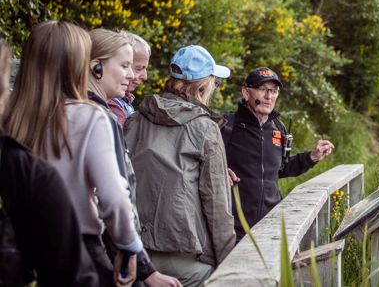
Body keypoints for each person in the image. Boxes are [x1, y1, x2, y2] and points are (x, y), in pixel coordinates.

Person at [5, 20, 143, 286]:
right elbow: (114, 198)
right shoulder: (90, 118)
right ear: (87, 65)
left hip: (19, 251)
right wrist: (128, 247)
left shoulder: (11, 115)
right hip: (78, 250)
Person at [124, 45, 236, 287]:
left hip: (134, 254)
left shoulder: (133, 120)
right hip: (183, 258)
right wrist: (230, 264)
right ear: (202, 87)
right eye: (214, 83)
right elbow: (217, 206)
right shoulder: (206, 129)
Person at [0, 38, 99, 286]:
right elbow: (117, 198)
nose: (133, 75)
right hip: (84, 241)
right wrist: (133, 251)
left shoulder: (18, 119)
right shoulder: (93, 118)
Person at [88, 28, 182, 287]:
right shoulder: (100, 117)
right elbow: (114, 197)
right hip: (104, 245)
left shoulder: (74, 109)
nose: (133, 75)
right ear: (96, 67)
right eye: (126, 66)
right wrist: (143, 266)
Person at [222, 67, 335, 241]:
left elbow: (281, 169)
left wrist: (312, 156)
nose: (269, 97)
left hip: (270, 227)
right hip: (233, 231)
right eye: (262, 89)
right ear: (246, 92)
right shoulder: (226, 126)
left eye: (274, 91)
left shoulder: (278, 129)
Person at [108, 32, 150, 125]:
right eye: (138, 69)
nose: (145, 77)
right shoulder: (112, 109)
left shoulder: (124, 100)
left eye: (145, 69)